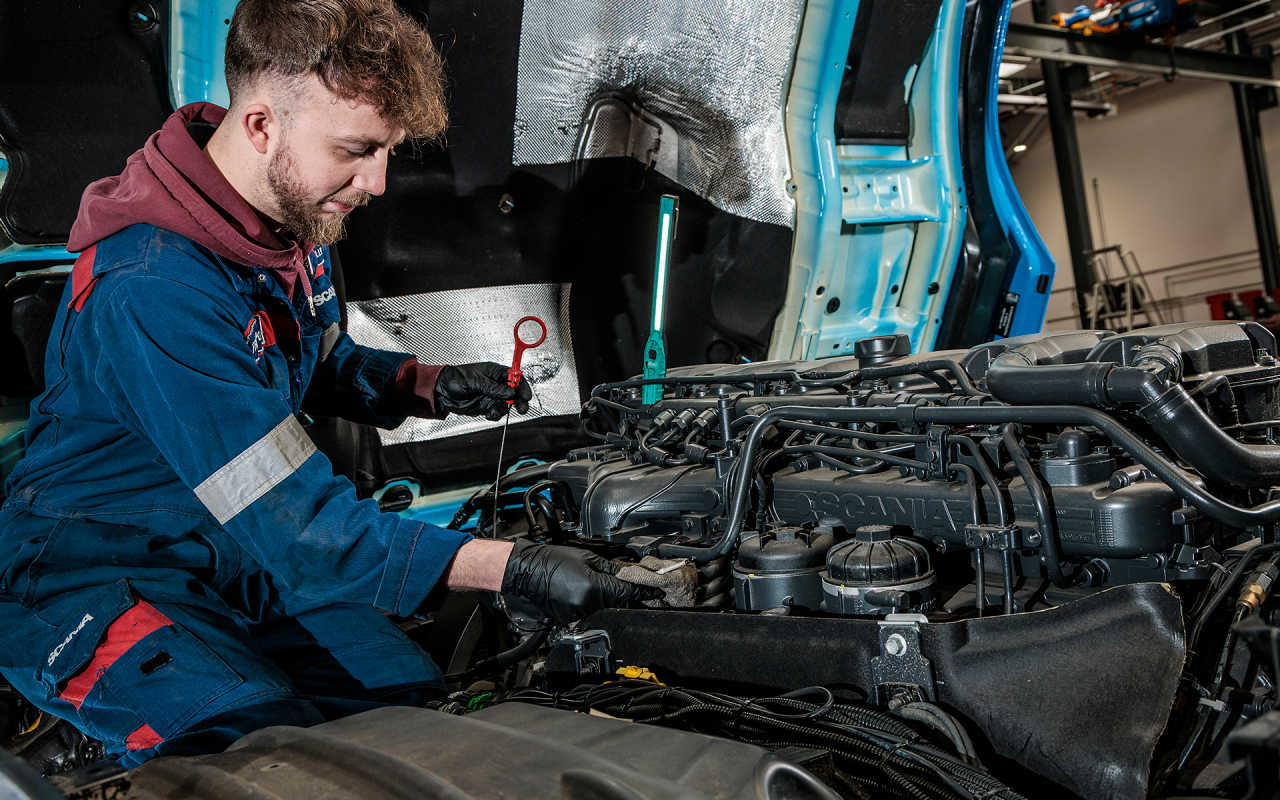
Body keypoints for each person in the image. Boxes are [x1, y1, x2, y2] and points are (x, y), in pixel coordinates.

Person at [0, 0, 656, 767]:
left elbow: (305, 357)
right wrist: (514, 567)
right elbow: (303, 529)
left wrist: (423, 384)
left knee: (416, 713)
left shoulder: (285, 217)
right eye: (357, 149)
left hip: (233, 550)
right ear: (260, 126)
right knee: (263, 753)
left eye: (388, 151)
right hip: (97, 566)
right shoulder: (154, 287)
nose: (377, 181)